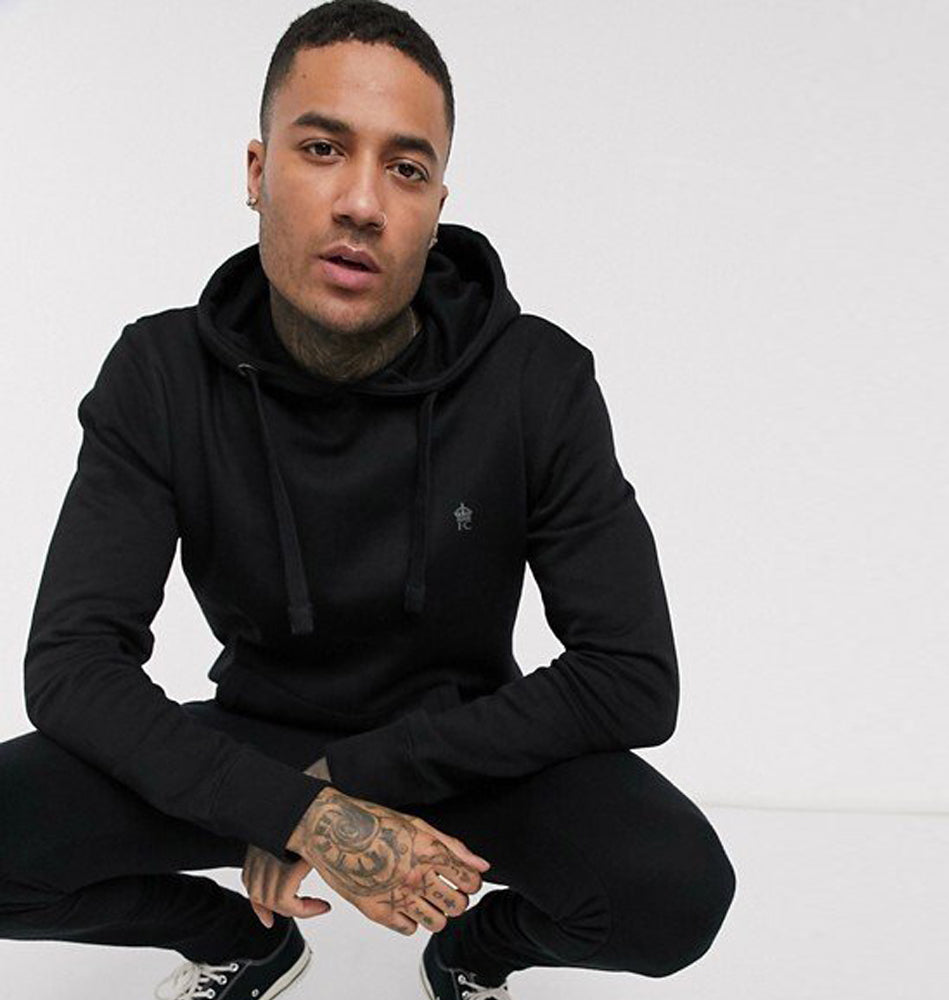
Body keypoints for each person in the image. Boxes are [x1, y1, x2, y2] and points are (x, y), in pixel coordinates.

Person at [0, 2, 737, 998]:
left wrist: (354, 780)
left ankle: (473, 954)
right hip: (253, 744)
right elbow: (72, 666)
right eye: (322, 149)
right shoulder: (160, 373)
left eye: (406, 167)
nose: (362, 202)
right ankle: (238, 939)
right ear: (257, 171)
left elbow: (632, 676)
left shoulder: (537, 379)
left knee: (675, 889)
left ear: (436, 205)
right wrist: (295, 811)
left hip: (465, 750)